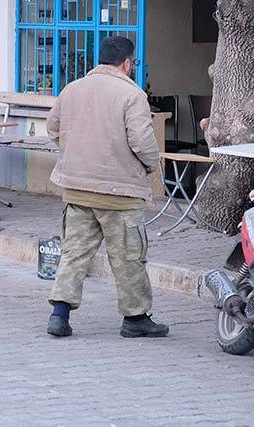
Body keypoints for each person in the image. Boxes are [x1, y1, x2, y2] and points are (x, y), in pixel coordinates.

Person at [44, 36, 169, 339]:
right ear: (127, 63)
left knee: (74, 254)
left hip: (76, 189)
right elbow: (142, 142)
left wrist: (76, 155)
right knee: (128, 258)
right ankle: (135, 319)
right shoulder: (132, 95)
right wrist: (151, 165)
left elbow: (53, 129)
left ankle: (59, 315)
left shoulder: (71, 89)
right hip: (120, 194)